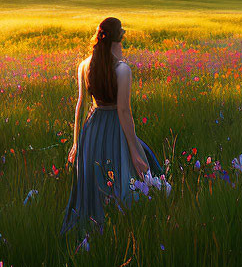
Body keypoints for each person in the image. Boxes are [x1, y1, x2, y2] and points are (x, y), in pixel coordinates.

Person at [60, 16, 164, 234]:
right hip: (115, 128)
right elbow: (124, 112)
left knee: (94, 178)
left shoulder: (84, 65)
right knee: (123, 174)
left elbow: (81, 105)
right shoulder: (122, 70)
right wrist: (135, 149)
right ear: (118, 40)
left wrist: (76, 142)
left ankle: (93, 227)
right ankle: (120, 227)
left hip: (93, 128)